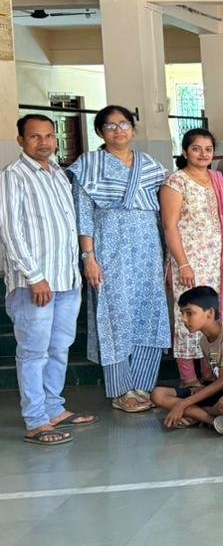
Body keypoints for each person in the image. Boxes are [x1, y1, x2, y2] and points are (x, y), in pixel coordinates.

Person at [2, 114, 96, 445]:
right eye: (35, 136)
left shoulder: (58, 174)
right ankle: (36, 420)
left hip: (66, 279)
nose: (44, 142)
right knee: (33, 352)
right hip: (35, 283)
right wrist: (35, 276)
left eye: (49, 136)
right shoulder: (13, 176)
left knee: (59, 347)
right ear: (21, 140)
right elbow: (10, 231)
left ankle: (54, 408)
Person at [69, 105, 169, 413]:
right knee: (114, 315)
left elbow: (165, 213)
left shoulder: (151, 165)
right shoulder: (88, 165)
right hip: (109, 249)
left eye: (124, 124)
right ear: (100, 132)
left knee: (150, 313)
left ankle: (143, 385)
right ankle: (121, 390)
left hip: (147, 251)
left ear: (133, 129)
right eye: (110, 126)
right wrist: (89, 258)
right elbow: (83, 216)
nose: (118, 130)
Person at [161, 128, 223, 387]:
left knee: (210, 315)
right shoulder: (176, 182)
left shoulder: (217, 179)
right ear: (185, 152)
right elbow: (170, 227)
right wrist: (183, 263)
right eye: (196, 149)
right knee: (188, 314)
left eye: (208, 149)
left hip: (215, 261)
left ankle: (209, 372)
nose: (203, 154)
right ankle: (188, 377)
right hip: (189, 261)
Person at [149, 287, 223, 435]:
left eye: (189, 313)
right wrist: (197, 391)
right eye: (182, 313)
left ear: (210, 313)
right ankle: (212, 420)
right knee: (158, 394)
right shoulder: (204, 340)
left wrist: (181, 405)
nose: (184, 319)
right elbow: (214, 376)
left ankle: (195, 415)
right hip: (219, 389)